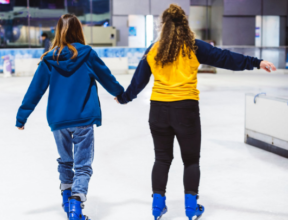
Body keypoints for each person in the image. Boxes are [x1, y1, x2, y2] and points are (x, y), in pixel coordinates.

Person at [115, 4, 276, 220]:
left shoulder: (153, 49)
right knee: (191, 160)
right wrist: (256, 62)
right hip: (186, 111)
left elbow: (138, 82)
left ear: (163, 25)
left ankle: (157, 208)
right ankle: (191, 209)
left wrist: (124, 98)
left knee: (162, 159)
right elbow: (225, 57)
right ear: (184, 24)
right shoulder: (193, 46)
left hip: (158, 111)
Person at [16, 14, 124, 220]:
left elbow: (35, 90)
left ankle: (67, 202)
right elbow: (106, 77)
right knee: (82, 166)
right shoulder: (87, 54)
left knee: (65, 162)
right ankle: (75, 205)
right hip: (83, 119)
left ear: (58, 31)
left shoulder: (50, 58)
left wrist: (22, 116)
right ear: (78, 30)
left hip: (58, 121)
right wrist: (120, 94)